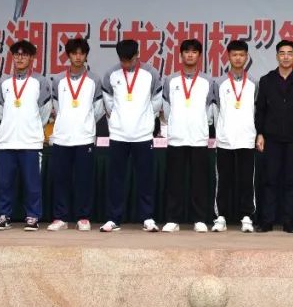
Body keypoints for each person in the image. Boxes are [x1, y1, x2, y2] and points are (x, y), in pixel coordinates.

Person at [100, 40, 162, 232]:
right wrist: (117, 119)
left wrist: (146, 119)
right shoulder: (111, 74)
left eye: (130, 60)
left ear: (138, 55)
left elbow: (157, 101)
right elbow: (108, 102)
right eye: (123, 60)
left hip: (143, 135)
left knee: (145, 178)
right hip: (118, 135)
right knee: (116, 178)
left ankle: (147, 217)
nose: (126, 64)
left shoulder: (151, 74)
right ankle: (113, 218)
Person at [0, 40, 52, 231]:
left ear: (32, 58)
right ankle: (3, 216)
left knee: (32, 183)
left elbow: (45, 111)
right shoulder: (4, 83)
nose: (19, 58)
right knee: (4, 182)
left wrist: (33, 128)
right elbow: (1, 111)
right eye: (16, 55)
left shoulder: (40, 82)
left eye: (24, 55)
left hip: (30, 141)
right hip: (7, 141)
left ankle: (32, 216)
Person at [46, 38, 104, 232]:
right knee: (60, 179)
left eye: (81, 53)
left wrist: (85, 122)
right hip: (62, 136)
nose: (78, 57)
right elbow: (56, 107)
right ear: (68, 55)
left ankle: (83, 217)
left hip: (84, 137)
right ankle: (60, 218)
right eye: (74, 53)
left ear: (86, 56)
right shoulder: (57, 79)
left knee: (84, 179)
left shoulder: (94, 80)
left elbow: (98, 109)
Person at [161, 39, 217, 233]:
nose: (190, 55)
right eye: (187, 52)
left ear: (199, 56)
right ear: (181, 55)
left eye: (194, 52)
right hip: (177, 137)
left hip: (199, 137)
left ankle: (199, 219)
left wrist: (202, 124)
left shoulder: (208, 81)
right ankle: (172, 219)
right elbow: (166, 107)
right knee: (174, 181)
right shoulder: (170, 80)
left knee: (199, 182)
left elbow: (210, 110)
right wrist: (174, 124)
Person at [255, 40, 293, 233]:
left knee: (290, 181)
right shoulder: (266, 80)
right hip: (271, 137)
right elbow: (260, 109)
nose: (286, 57)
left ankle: (289, 221)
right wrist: (260, 133)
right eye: (282, 53)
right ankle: (267, 220)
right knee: (269, 180)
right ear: (277, 56)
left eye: (289, 53)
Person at [212, 40, 258, 233]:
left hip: (247, 139)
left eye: (241, 55)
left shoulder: (254, 83)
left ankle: (247, 216)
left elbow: (256, 111)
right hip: (225, 140)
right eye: (234, 55)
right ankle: (221, 216)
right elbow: (216, 110)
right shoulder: (219, 83)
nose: (238, 58)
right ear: (228, 57)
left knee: (247, 181)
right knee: (224, 180)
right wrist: (221, 131)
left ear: (247, 57)